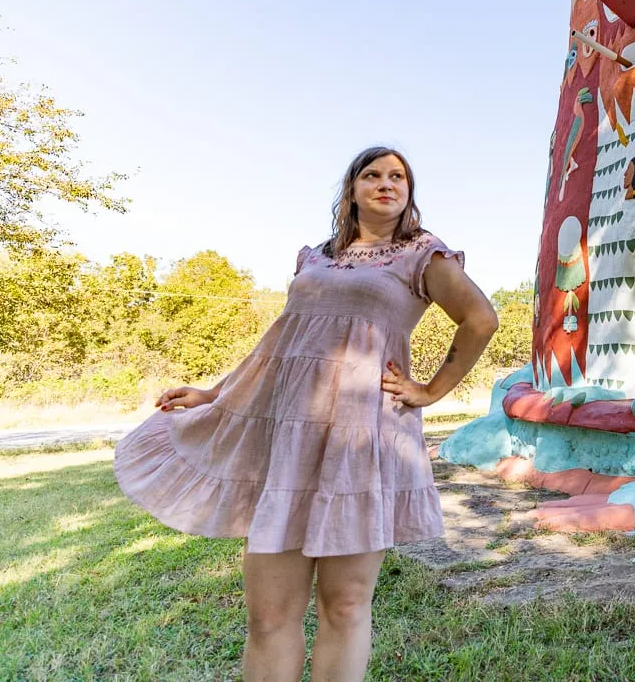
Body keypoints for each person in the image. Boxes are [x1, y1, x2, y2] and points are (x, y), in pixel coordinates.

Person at [113, 146, 498, 682]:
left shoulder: (422, 254)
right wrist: (214, 393)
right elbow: (283, 345)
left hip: (364, 439)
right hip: (289, 442)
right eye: (372, 175)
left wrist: (430, 389)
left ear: (409, 192)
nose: (386, 184)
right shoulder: (315, 258)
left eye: (398, 177)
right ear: (352, 188)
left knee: (344, 606)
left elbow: (480, 320)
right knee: (269, 616)